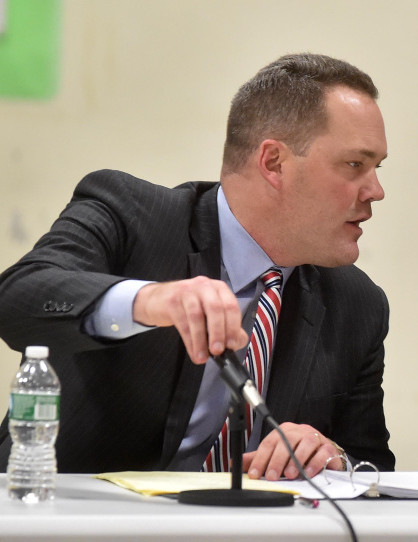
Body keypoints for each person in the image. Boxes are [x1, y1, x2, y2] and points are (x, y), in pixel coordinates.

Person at [0, 53, 395, 480]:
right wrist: (149, 300)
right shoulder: (130, 216)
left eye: (376, 168)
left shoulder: (357, 304)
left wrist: (332, 456)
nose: (376, 191)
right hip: (69, 509)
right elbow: (18, 299)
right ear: (274, 163)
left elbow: (375, 469)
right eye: (355, 165)